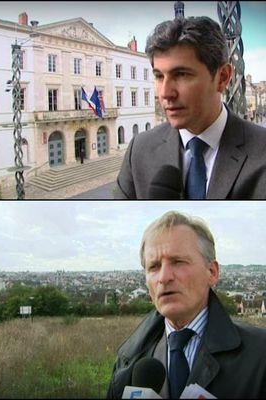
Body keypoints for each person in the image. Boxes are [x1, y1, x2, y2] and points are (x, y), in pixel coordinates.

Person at [106, 211, 266, 398]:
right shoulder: (128, 361)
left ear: (212, 272)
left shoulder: (260, 356)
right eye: (154, 267)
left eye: (178, 262)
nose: (164, 277)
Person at [114, 16, 266, 199]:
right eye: (159, 76)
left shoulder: (261, 151)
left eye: (181, 74)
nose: (165, 93)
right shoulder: (139, 150)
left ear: (223, 77)